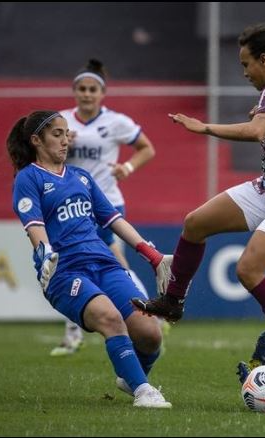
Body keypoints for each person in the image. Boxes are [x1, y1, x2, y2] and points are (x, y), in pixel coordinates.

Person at [131, 24, 265, 377]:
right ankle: (174, 300)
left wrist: (206, 127)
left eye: (247, 65)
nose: (244, 73)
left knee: (247, 270)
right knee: (196, 223)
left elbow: (258, 131)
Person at [8, 110, 172, 408]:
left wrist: (151, 254)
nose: (65, 140)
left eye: (66, 133)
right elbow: (34, 226)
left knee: (151, 334)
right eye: (57, 134)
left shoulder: (81, 177)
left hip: (103, 263)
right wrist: (45, 254)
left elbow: (113, 220)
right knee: (110, 318)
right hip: (64, 271)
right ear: (36, 140)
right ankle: (143, 390)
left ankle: (129, 376)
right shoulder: (28, 178)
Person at [50, 58, 166, 357]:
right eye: (82, 89)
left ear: (102, 93)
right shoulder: (61, 122)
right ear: (74, 92)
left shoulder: (116, 122)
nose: (87, 94)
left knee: (112, 262)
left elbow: (147, 148)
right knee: (76, 264)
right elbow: (47, 162)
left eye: (92, 89)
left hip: (107, 204)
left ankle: (147, 312)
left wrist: (127, 167)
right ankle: (148, 312)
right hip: (71, 205)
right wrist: (62, 144)